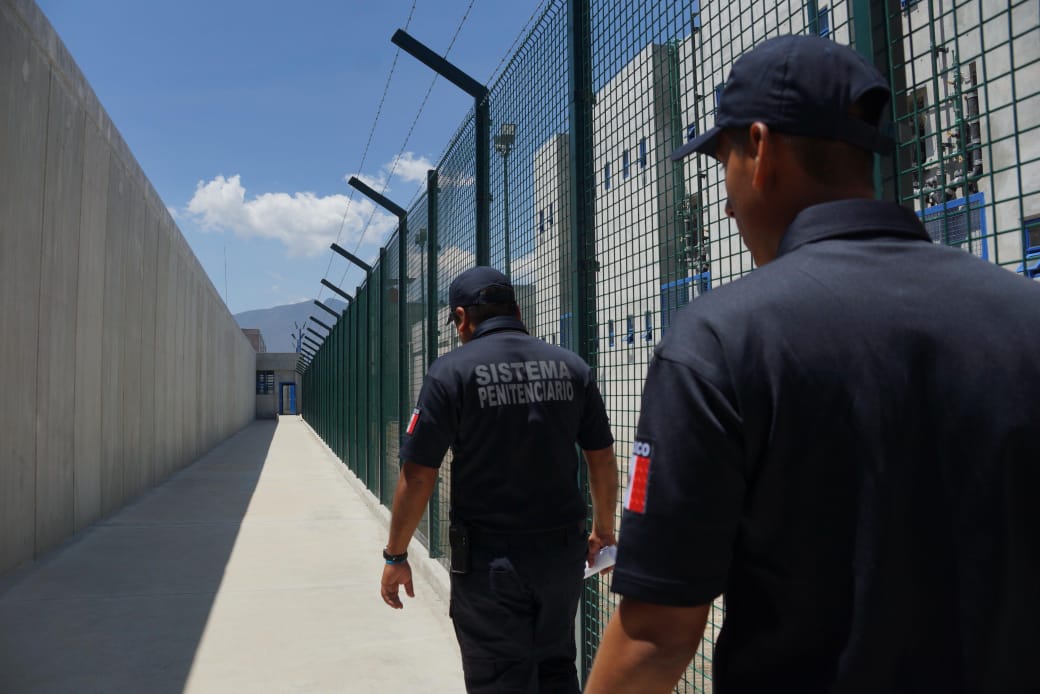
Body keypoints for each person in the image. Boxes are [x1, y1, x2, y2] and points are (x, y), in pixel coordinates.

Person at [586, 34, 1040, 694]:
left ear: (761, 150)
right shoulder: (1025, 314)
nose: (725, 200)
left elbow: (656, 634)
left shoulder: (721, 339)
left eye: (724, 163)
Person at [380, 266, 618, 693]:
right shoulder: (571, 367)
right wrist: (604, 531)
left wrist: (396, 556)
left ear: (461, 317)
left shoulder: (450, 373)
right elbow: (600, 459)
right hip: (561, 556)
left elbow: (417, 476)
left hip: (490, 563)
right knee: (556, 667)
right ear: (517, 311)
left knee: (498, 678)